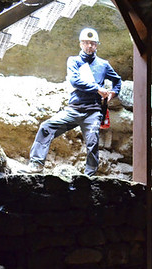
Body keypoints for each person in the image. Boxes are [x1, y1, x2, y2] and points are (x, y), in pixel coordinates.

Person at [24, 27, 122, 176]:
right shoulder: (74, 61)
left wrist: (113, 93)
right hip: (74, 109)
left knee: (92, 142)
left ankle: (89, 176)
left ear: (97, 45)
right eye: (87, 43)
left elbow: (117, 80)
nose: (90, 46)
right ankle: (36, 165)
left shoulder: (103, 64)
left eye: (93, 43)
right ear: (81, 44)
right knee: (46, 127)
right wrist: (97, 89)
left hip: (93, 111)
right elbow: (75, 81)